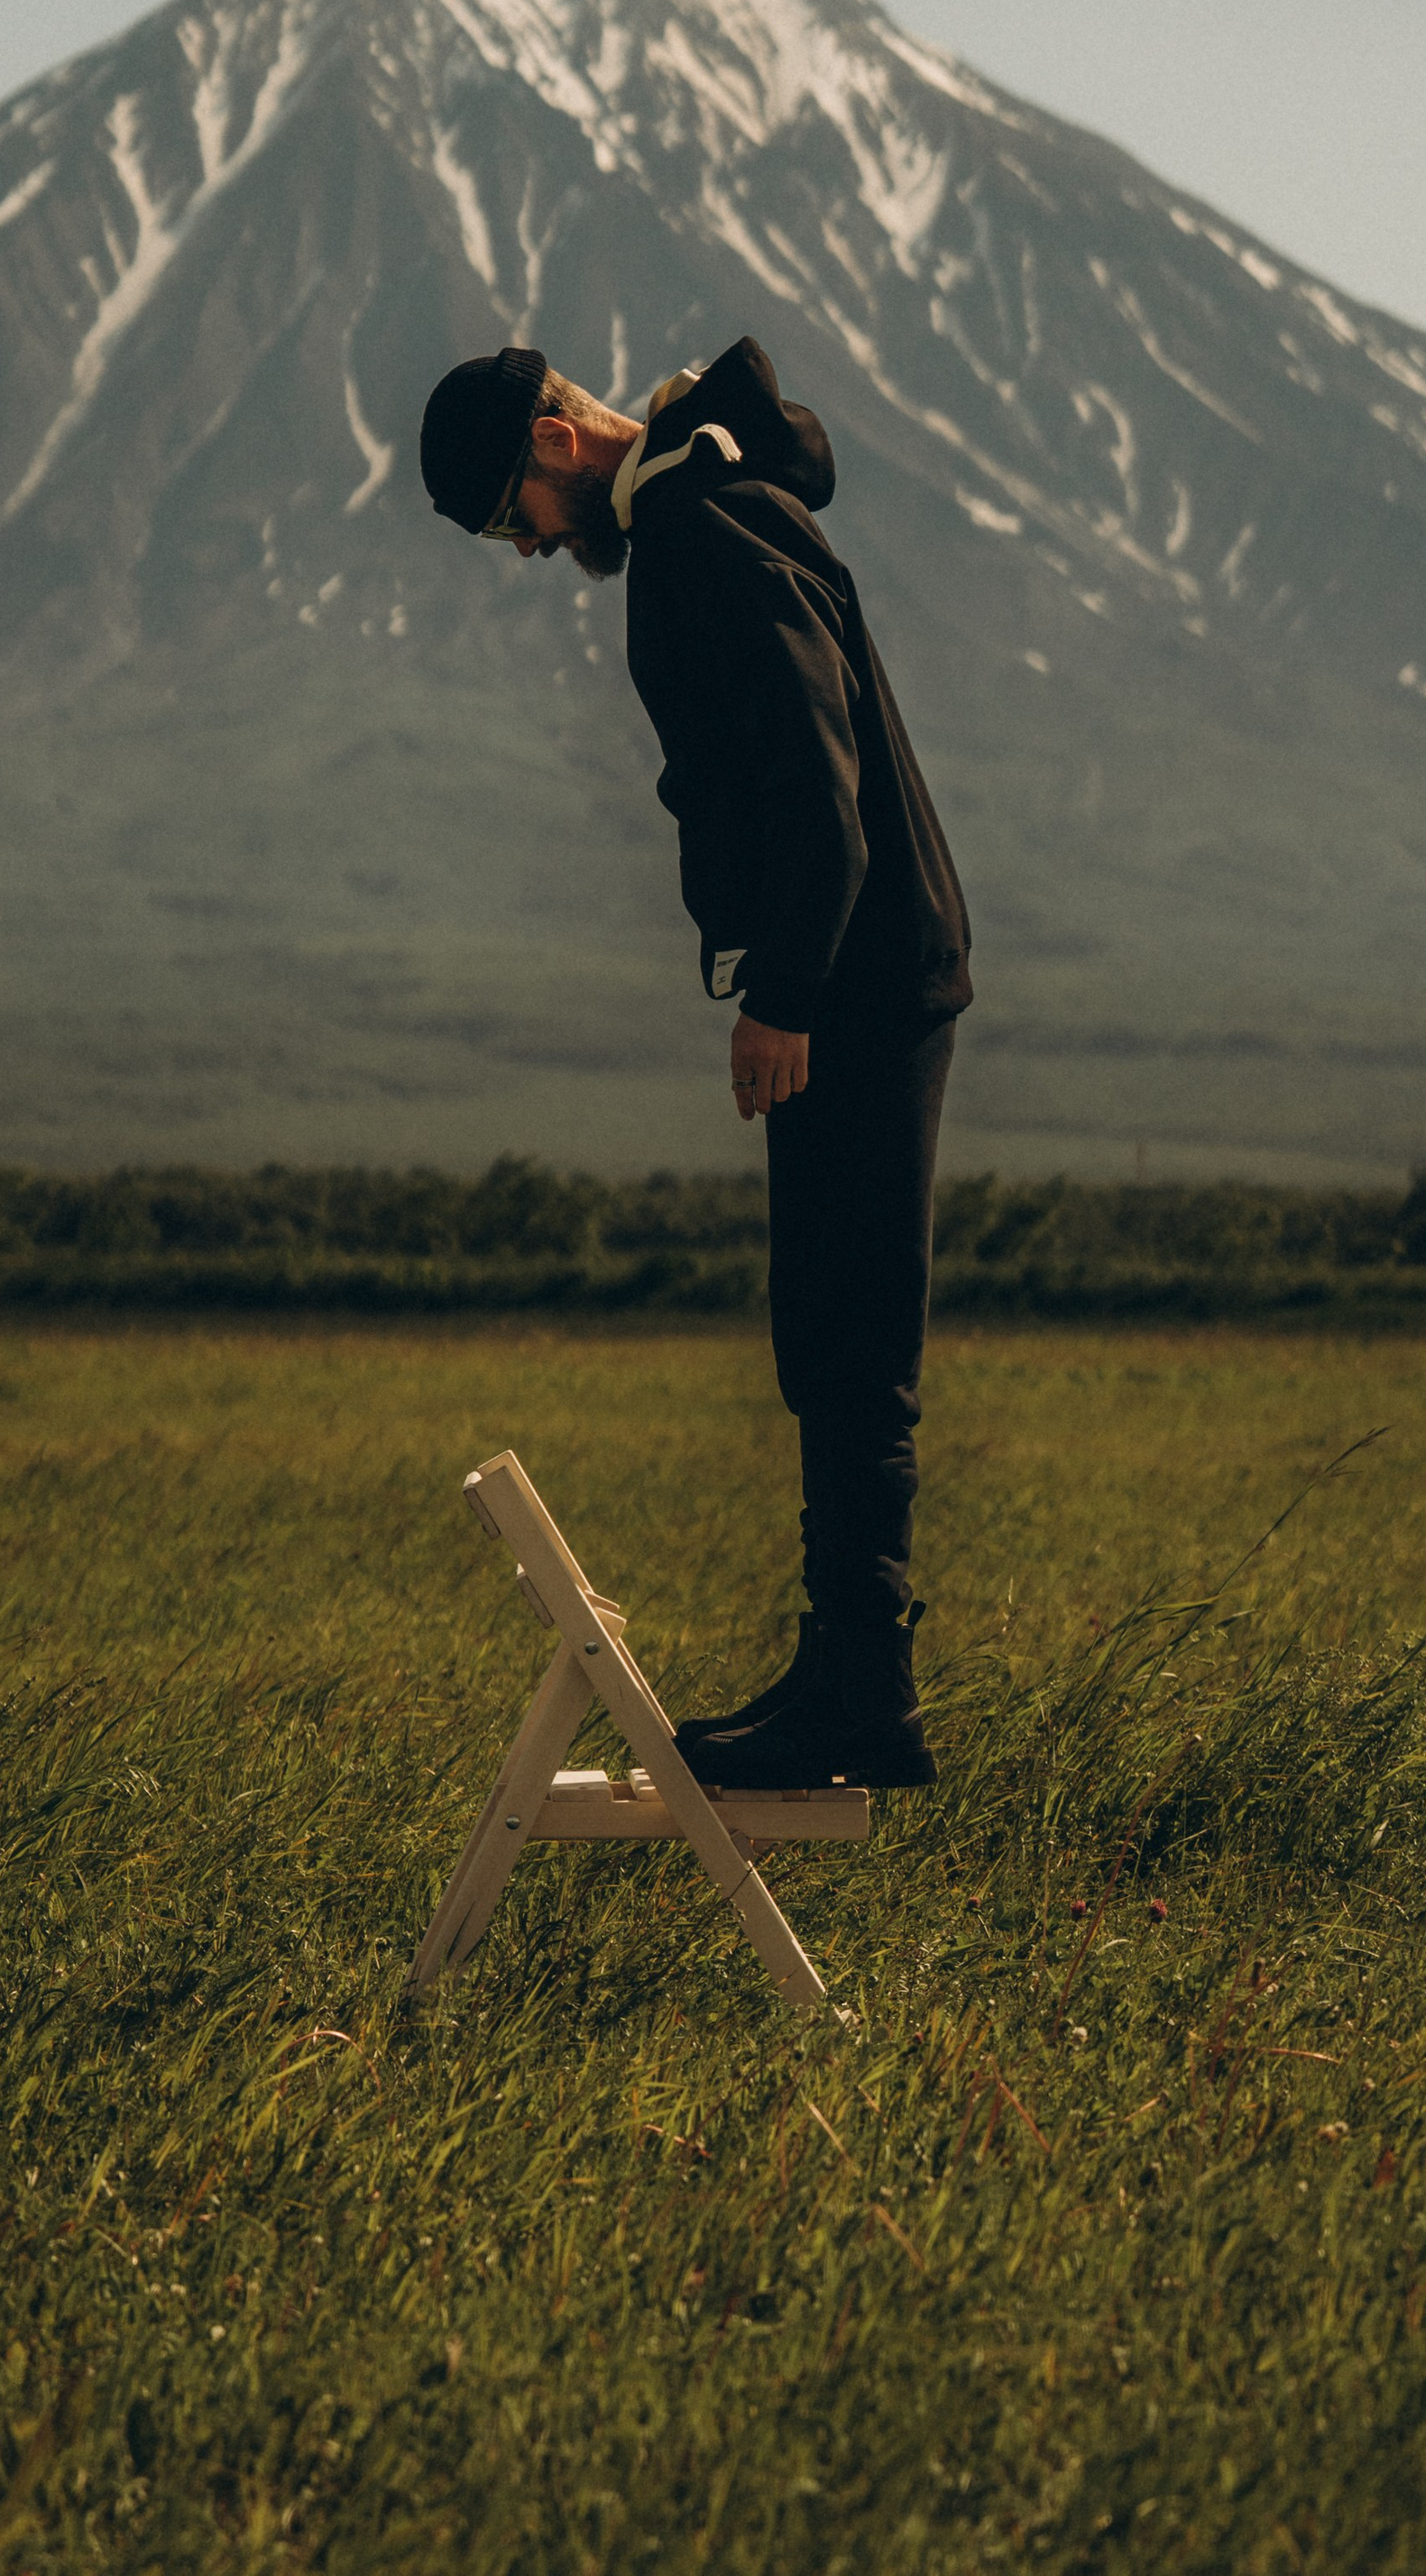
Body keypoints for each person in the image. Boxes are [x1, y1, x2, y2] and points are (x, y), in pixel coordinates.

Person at [417, 337, 971, 1787]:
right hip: (854, 974)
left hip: (850, 983)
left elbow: (818, 784)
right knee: (829, 1332)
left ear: (553, 441)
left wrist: (782, 994)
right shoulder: (701, 507)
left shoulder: (700, 529)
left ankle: (864, 1696)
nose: (529, 551)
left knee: (849, 1338)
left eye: (507, 521)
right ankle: (846, 1673)